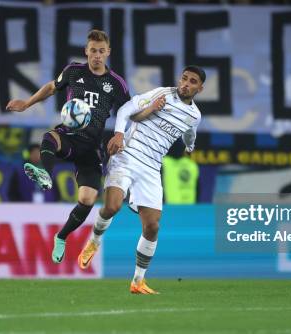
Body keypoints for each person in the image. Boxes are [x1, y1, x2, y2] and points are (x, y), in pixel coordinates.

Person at [77, 66, 205, 294]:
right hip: (127, 154)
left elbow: (190, 131)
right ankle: (94, 242)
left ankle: (138, 281)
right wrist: (118, 134)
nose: (186, 83)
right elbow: (126, 109)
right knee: (113, 206)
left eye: (192, 81)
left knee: (152, 226)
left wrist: (189, 146)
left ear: (199, 88)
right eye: (184, 78)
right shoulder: (162, 94)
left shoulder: (195, 115)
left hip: (152, 167)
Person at [6, 30, 130, 263]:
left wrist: (122, 136)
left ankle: (61, 236)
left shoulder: (116, 83)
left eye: (101, 51)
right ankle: (45, 173)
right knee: (50, 137)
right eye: (93, 50)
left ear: (108, 53)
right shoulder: (73, 71)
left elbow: (129, 111)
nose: (96, 56)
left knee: (87, 200)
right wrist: (26, 103)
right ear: (86, 51)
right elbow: (52, 87)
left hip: (91, 148)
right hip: (70, 136)